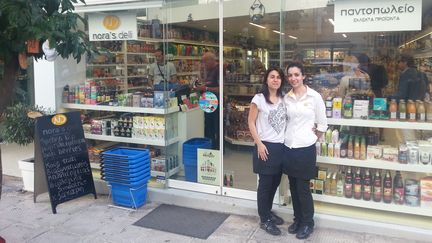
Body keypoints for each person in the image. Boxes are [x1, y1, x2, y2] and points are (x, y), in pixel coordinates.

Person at [282, 62, 327, 240]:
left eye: (296, 75)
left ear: (303, 76)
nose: (293, 78)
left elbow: (322, 122)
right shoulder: (287, 98)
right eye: (290, 75)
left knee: (303, 188)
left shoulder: (314, 97)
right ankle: (298, 219)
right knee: (293, 186)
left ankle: (308, 223)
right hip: (289, 147)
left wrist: (314, 137)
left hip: (305, 148)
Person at [248, 67, 287, 236]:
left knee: (275, 183)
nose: (275, 80)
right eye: (272, 77)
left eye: (278, 77)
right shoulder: (259, 99)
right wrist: (259, 144)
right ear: (266, 80)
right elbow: (250, 122)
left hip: (280, 147)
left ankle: (268, 211)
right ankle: (264, 219)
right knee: (265, 185)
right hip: (265, 146)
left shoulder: (284, 98)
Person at [196, 51, 220, 149]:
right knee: (208, 125)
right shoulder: (209, 70)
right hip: (208, 101)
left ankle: (216, 146)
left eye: (205, 62)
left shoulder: (218, 70)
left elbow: (221, 89)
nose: (204, 64)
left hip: (215, 101)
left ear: (211, 60)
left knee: (215, 125)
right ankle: (210, 144)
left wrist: (205, 89)